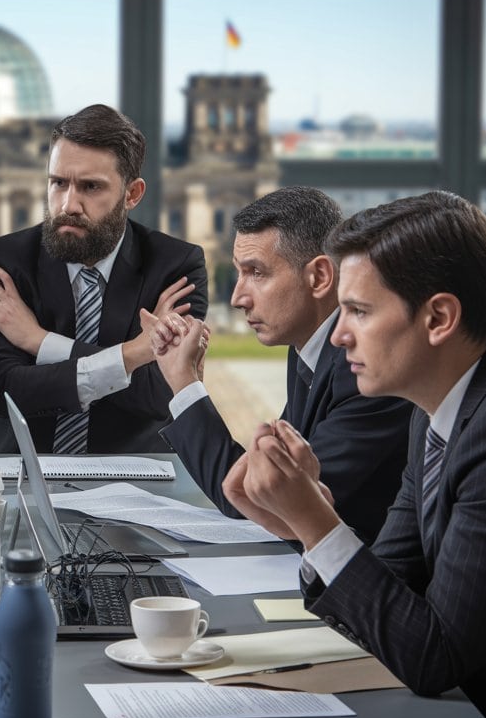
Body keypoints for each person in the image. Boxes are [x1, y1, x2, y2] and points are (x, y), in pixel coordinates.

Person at [226, 192, 486, 718]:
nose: (340, 335)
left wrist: (314, 522)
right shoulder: (446, 400)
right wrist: (297, 524)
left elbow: (432, 656)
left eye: (360, 311)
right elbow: (394, 575)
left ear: (439, 318)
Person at [151, 187, 411, 543]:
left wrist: (184, 383)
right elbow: (267, 476)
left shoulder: (363, 370)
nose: (237, 297)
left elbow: (268, 497)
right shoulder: (308, 347)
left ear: (319, 277)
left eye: (255, 272)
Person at [0, 104, 207, 454]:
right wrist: (132, 355)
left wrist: (41, 342)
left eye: (90, 187)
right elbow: (1, 391)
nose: (68, 205)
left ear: (132, 194)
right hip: (19, 470)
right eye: (58, 183)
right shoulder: (1, 262)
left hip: (133, 477)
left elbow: (162, 395)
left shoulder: (174, 266)